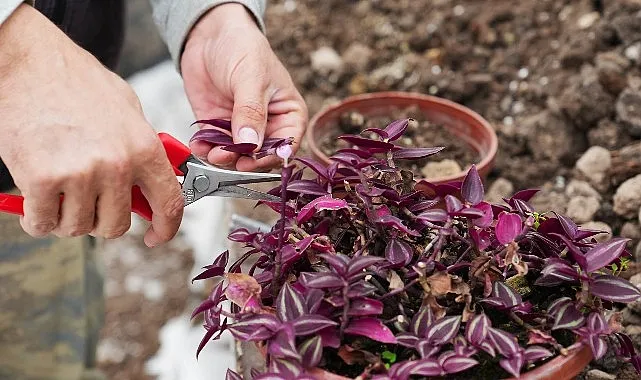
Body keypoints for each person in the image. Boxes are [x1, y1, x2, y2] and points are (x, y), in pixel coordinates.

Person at [0, 1, 307, 379]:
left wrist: (211, 16)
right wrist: (14, 57)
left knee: (51, 356)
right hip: (52, 119)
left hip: (65, 159)